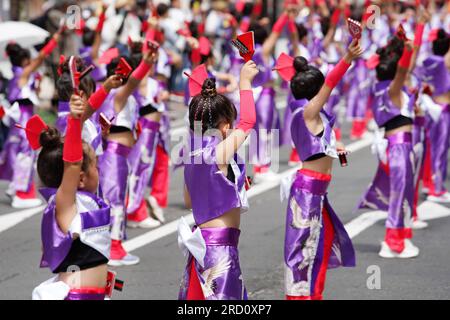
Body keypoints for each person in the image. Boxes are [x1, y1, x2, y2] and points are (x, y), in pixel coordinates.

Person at [277, 39, 361, 300]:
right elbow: (330, 83)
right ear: (316, 92)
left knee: (321, 247)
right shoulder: (306, 112)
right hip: (308, 190)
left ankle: (314, 295)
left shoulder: (314, 114)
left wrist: (336, 147)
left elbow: (318, 145)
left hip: (317, 190)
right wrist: (347, 57)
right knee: (303, 251)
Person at [178, 60, 258, 300]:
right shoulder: (218, 153)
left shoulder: (190, 154)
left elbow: (189, 199)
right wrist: (244, 81)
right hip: (220, 250)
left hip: (202, 248)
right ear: (224, 126)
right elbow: (248, 122)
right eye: (230, 123)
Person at [31, 92, 111, 300]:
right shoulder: (65, 204)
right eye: (95, 165)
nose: (99, 169)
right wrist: (74, 122)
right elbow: (73, 164)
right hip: (76, 296)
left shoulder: (87, 201)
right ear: (80, 178)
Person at [357, 35, 420, 258]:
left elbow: (404, 70)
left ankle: (400, 237)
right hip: (399, 147)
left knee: (401, 193)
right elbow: (404, 70)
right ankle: (392, 242)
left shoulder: (379, 88)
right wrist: (408, 51)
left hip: (396, 146)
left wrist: (403, 49)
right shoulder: (393, 90)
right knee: (399, 194)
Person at [0, 32, 60, 208]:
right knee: (25, 154)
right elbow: (41, 57)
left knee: (21, 153)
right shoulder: (22, 73)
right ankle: (21, 193)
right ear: (25, 60)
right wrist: (55, 39)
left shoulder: (18, 76)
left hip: (21, 118)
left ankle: (14, 188)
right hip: (24, 119)